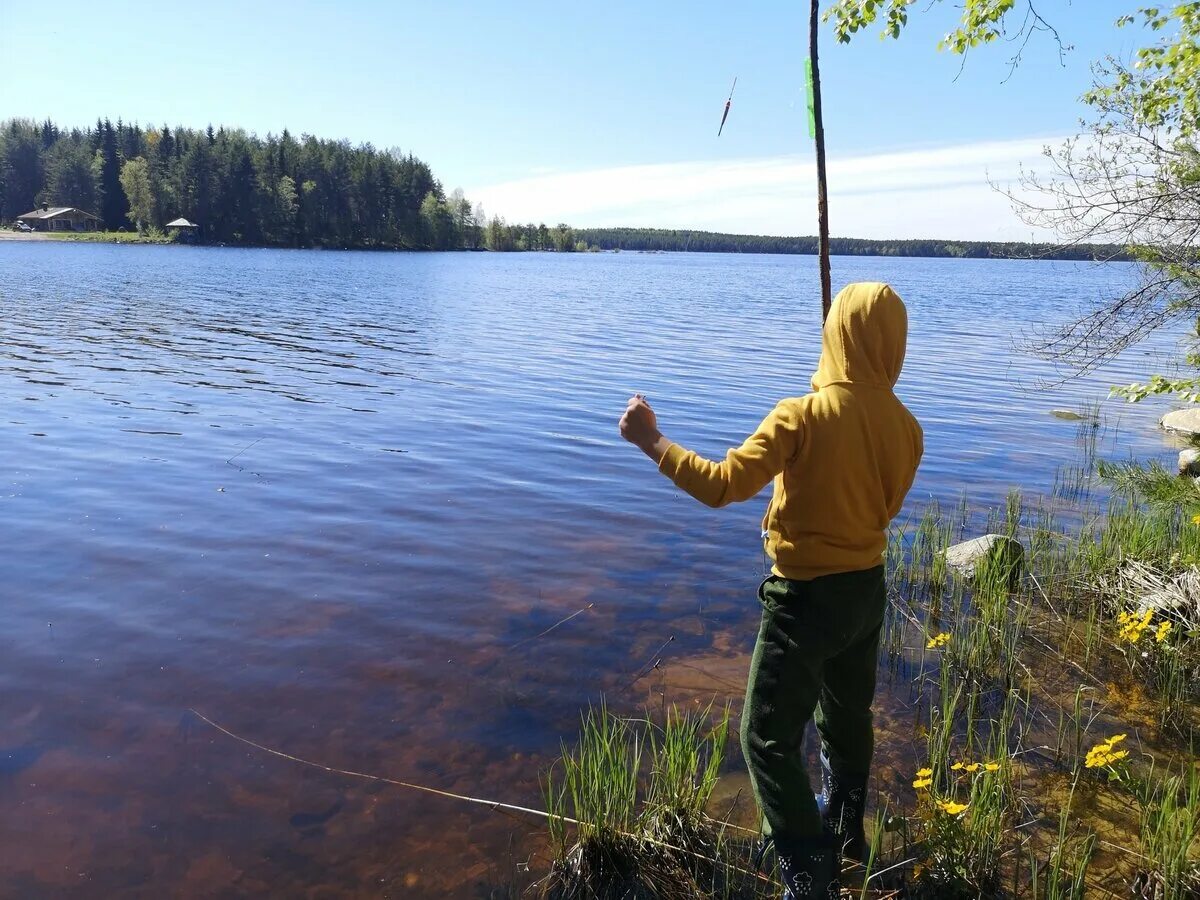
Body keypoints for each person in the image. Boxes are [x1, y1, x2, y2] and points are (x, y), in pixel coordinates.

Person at [618, 282, 923, 898]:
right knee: (846, 716)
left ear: (834, 335)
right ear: (893, 345)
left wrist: (652, 440)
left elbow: (723, 485)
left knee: (765, 739)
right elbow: (883, 508)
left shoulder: (800, 415)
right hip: (865, 593)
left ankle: (808, 875)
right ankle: (842, 833)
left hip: (804, 601)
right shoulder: (907, 427)